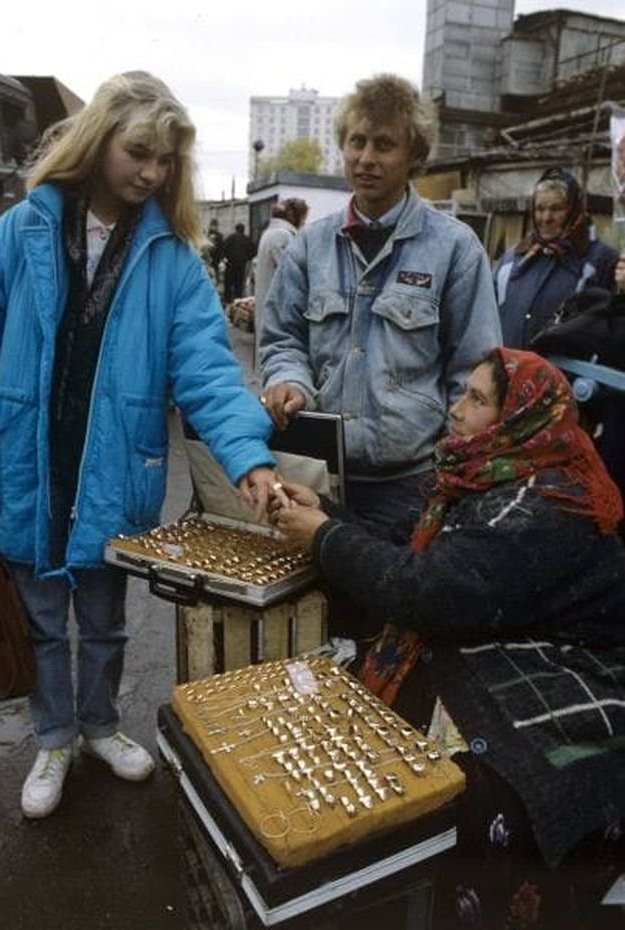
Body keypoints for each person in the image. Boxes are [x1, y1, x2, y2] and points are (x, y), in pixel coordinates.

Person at [0, 71, 283, 820]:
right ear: (100, 138)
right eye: (139, 152)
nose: (151, 172)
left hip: (116, 465)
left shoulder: (174, 260)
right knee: (46, 619)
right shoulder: (17, 233)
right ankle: (54, 737)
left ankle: (101, 725)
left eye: (165, 162)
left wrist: (247, 456)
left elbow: (209, 369)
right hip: (27, 457)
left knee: (109, 618)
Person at [270, 348, 625, 929]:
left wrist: (325, 537)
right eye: (461, 392)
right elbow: (410, 546)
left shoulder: (542, 505)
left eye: (477, 400)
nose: (454, 410)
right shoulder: (485, 474)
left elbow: (429, 592)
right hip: (506, 633)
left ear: (523, 419)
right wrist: (326, 512)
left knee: (477, 781)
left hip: (570, 678)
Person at [259, 73, 501, 531]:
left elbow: (474, 371)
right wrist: (289, 380)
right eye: (357, 141)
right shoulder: (310, 246)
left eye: (384, 145)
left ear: (414, 156)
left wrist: (449, 473)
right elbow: (281, 339)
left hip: (412, 486)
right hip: (316, 478)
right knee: (317, 603)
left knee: (396, 602)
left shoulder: (454, 248)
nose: (366, 159)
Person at [494, 166, 618, 348]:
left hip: (567, 375)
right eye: (539, 209)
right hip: (508, 370)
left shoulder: (600, 261)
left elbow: (610, 331)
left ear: (574, 210)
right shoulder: (512, 260)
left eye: (556, 209)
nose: (546, 217)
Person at [254, 198, 309, 371]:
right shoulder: (283, 235)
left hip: (267, 298)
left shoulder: (270, 232)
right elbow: (292, 272)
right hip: (279, 303)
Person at [223, 222, 255, 304]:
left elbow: (224, 248)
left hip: (230, 264)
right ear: (243, 230)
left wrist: (226, 257)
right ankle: (237, 300)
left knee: (228, 283)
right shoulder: (247, 239)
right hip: (241, 265)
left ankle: (227, 300)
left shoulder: (230, 238)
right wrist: (247, 258)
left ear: (236, 229)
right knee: (239, 283)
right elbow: (254, 251)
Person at [206, 218, 224, 285]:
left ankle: (216, 284)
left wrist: (222, 258)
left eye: (215, 225)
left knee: (216, 274)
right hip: (208, 258)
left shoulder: (220, 236)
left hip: (217, 258)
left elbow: (222, 247)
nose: (214, 227)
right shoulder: (206, 235)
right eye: (212, 225)